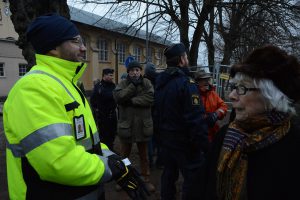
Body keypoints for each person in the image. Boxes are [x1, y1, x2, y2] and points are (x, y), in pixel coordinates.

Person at [3, 13, 148, 200]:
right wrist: (111, 169)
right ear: (54, 47)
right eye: (76, 41)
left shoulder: (65, 84)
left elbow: (87, 143)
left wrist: (115, 159)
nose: (84, 47)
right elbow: (58, 162)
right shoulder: (34, 89)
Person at [204, 45, 300, 200]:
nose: (232, 96)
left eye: (242, 88)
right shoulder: (225, 135)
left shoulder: (294, 144)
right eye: (234, 87)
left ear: (271, 96)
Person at [154, 43, 208, 200]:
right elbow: (195, 120)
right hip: (185, 145)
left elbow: (157, 114)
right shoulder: (186, 84)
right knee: (193, 181)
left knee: (168, 177)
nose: (187, 59)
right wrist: (205, 146)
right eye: (186, 56)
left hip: (167, 142)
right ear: (181, 60)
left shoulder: (161, 83)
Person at [113, 60, 156, 192]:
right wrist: (132, 87)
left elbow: (150, 98)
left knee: (144, 156)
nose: (135, 72)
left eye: (137, 70)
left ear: (140, 71)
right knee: (125, 156)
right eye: (132, 70)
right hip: (127, 126)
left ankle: (145, 178)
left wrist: (131, 101)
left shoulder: (147, 83)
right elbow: (119, 97)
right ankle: (124, 179)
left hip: (143, 126)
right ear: (128, 72)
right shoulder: (123, 83)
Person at [194, 69, 228, 142]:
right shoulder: (193, 95)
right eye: (203, 79)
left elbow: (223, 106)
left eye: (207, 79)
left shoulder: (213, 94)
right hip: (198, 135)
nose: (206, 81)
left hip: (213, 134)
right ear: (197, 81)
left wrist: (216, 114)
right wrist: (204, 118)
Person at [90, 68, 117, 151]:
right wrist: (98, 110)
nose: (112, 77)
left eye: (112, 75)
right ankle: (105, 151)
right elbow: (92, 100)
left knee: (112, 134)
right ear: (104, 75)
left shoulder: (113, 85)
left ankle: (111, 149)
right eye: (110, 75)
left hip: (112, 115)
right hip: (103, 117)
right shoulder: (98, 87)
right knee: (104, 136)